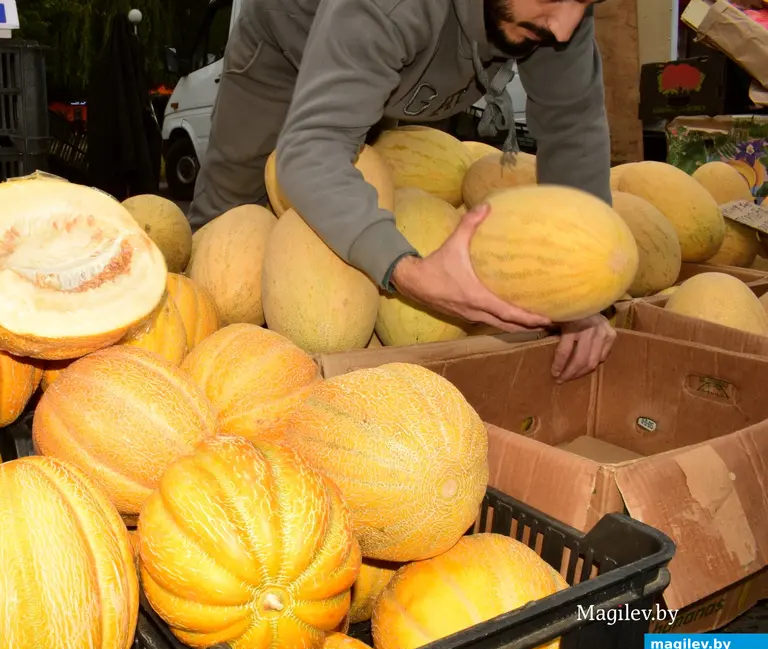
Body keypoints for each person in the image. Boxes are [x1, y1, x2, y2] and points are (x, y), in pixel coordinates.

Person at [187, 0, 616, 384]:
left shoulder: (557, 16)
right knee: (230, 228)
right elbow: (311, 151)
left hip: (384, 59)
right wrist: (408, 272)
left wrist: (582, 291)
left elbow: (574, 131)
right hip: (285, 50)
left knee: (361, 193)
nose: (565, 27)